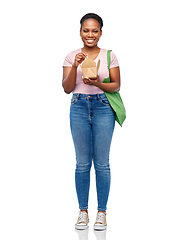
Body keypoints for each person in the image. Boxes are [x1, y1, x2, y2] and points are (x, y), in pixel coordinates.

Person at [62, 13, 120, 230]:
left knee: (102, 164)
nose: (90, 34)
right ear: (80, 32)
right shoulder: (71, 56)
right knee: (82, 163)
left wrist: (98, 83)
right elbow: (67, 88)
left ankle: (102, 213)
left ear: (101, 33)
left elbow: (116, 86)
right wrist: (75, 67)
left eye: (95, 30)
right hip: (78, 106)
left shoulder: (109, 56)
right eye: (86, 30)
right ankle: (83, 212)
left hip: (104, 107)